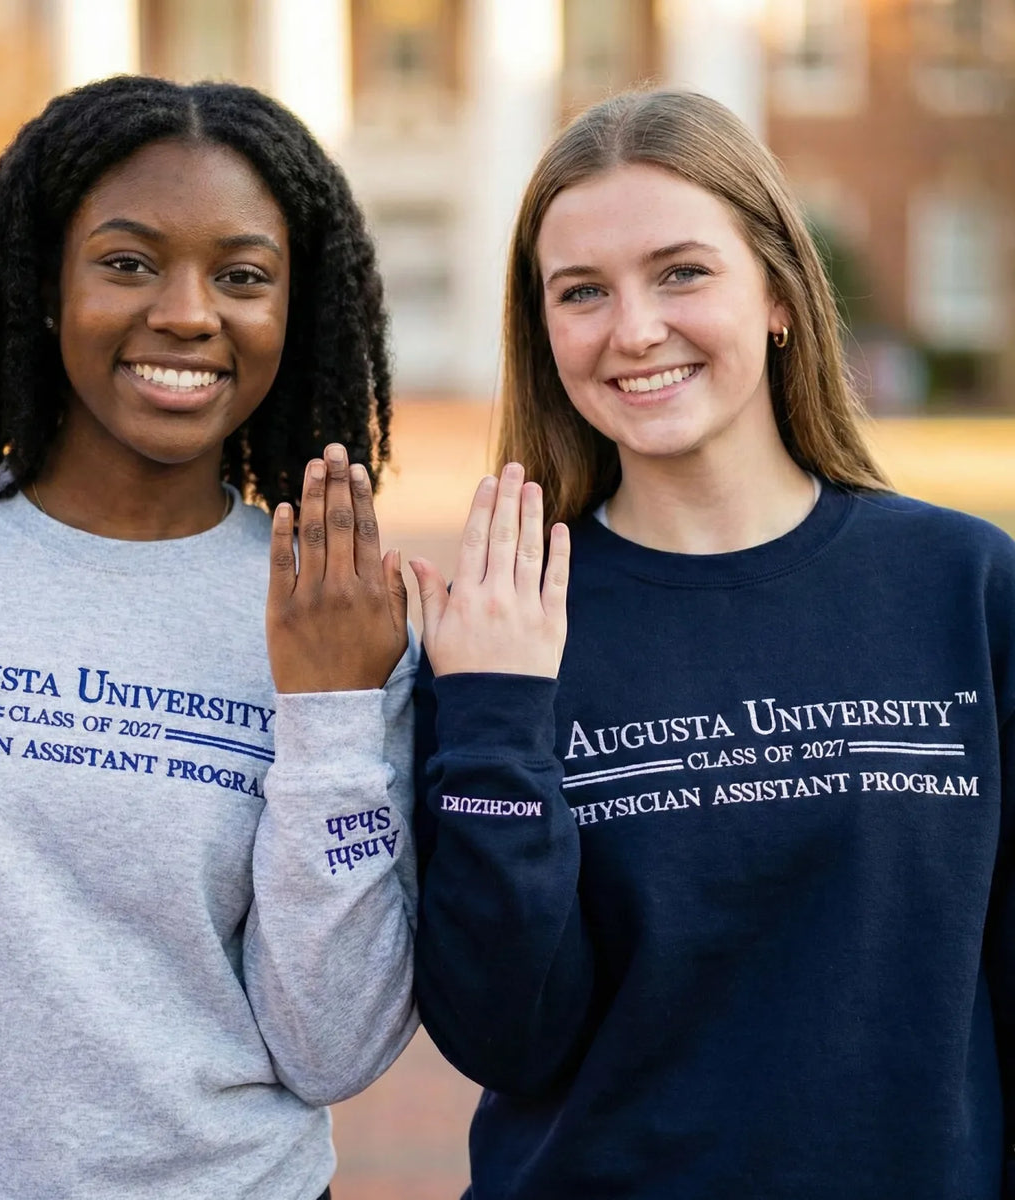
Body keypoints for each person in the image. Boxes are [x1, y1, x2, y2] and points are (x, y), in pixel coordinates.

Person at [0, 76, 417, 1199]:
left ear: (297, 313)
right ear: (47, 286)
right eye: (129, 262)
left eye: (242, 276)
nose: (188, 312)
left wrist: (331, 718)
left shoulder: (337, 616)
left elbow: (331, 1045)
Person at [410, 88, 1015, 1199]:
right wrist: (497, 714)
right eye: (581, 292)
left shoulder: (965, 587)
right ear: (543, 331)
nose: (634, 330)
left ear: (779, 292)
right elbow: (506, 1035)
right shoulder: (503, 627)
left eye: (681, 272)